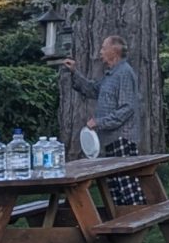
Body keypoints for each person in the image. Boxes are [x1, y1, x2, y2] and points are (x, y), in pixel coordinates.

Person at [60, 35, 145, 206]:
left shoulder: (124, 73)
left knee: (126, 185)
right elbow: (92, 89)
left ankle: (138, 219)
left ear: (114, 51)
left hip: (123, 139)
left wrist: (100, 122)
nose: (100, 52)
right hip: (108, 139)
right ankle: (122, 225)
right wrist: (74, 72)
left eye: (104, 48)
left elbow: (127, 108)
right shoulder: (110, 75)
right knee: (114, 186)